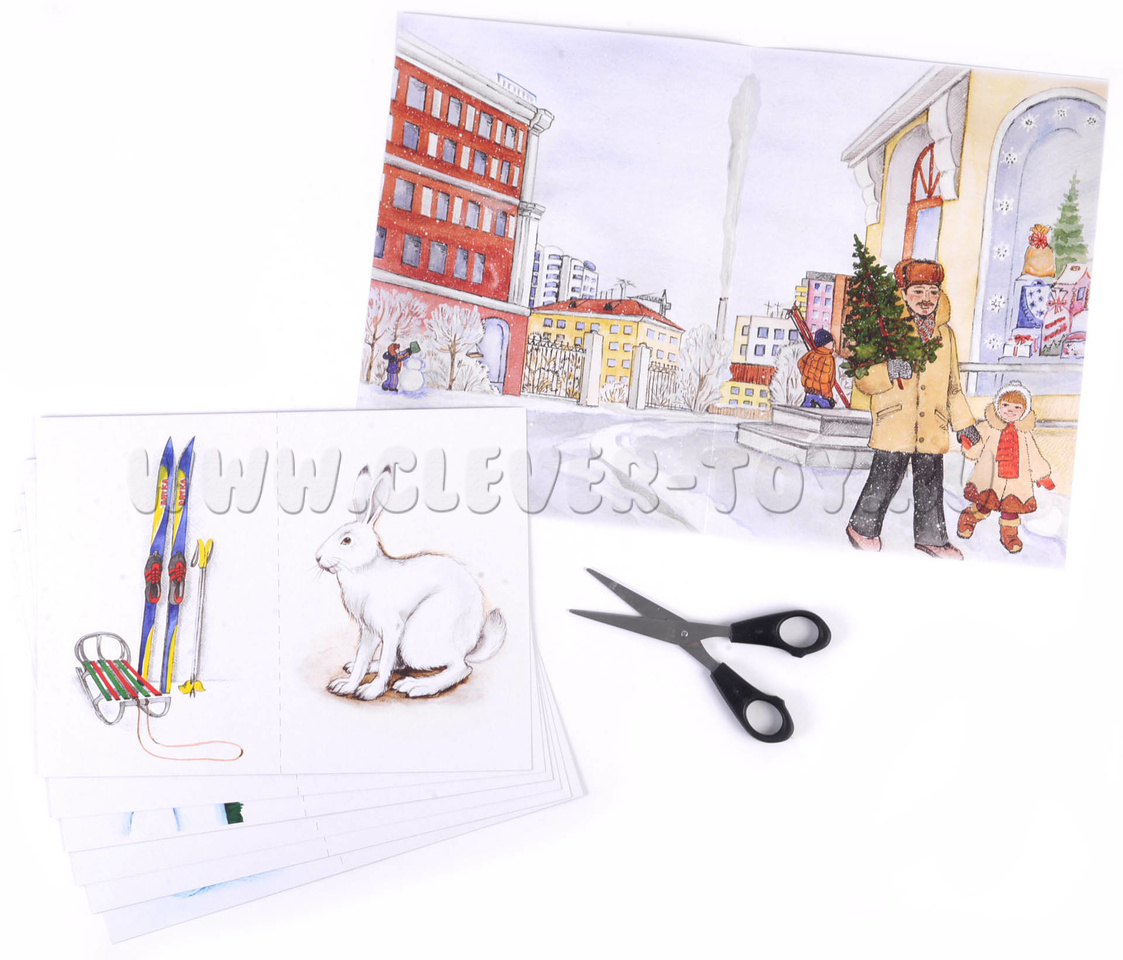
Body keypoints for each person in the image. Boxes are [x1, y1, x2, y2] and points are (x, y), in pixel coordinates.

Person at [845, 258, 981, 559]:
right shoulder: (886, 329)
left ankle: (932, 538)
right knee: (884, 480)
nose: (926, 299)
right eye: (918, 291)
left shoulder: (945, 335)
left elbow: (953, 386)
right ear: (904, 294)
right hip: (895, 421)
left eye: (932, 292)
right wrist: (888, 370)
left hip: (932, 424)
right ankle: (862, 528)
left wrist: (964, 424)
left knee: (930, 484)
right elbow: (863, 378)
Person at [957, 381, 1053, 554]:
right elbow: (977, 447)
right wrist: (969, 445)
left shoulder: (1024, 434)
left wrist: (1042, 475)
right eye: (1006, 405)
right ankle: (968, 519)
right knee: (983, 505)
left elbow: (1034, 456)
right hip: (991, 478)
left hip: (1016, 482)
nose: (1010, 410)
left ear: (1024, 411)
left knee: (1011, 511)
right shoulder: (988, 427)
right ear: (998, 405)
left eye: (1017, 407)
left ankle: (1009, 536)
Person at [798, 329, 837, 408]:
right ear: (825, 344)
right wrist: (829, 396)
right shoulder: (829, 358)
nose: (833, 343)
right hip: (821, 394)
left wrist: (807, 374)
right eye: (831, 341)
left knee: (805, 410)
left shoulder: (812, 353)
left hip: (809, 391)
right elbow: (827, 379)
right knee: (827, 409)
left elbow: (800, 363)